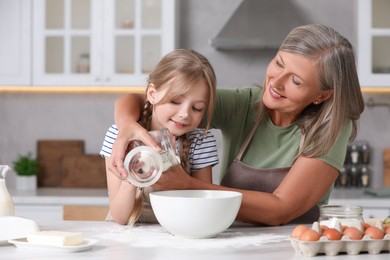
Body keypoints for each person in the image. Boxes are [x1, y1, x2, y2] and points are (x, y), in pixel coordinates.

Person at [107, 24, 365, 225]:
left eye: (295, 81)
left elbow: (281, 210)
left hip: (292, 244)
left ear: (322, 95)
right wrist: (128, 127)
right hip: (232, 236)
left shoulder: (331, 129)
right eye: (278, 63)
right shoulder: (246, 105)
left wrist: (186, 184)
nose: (275, 82)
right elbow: (149, 98)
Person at [100, 49, 219, 225]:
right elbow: (120, 217)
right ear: (152, 94)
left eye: (197, 108)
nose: (185, 114)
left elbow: (201, 206)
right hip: (128, 238)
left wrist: (176, 174)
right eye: (175, 101)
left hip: (178, 233)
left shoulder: (201, 141)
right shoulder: (119, 136)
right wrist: (133, 173)